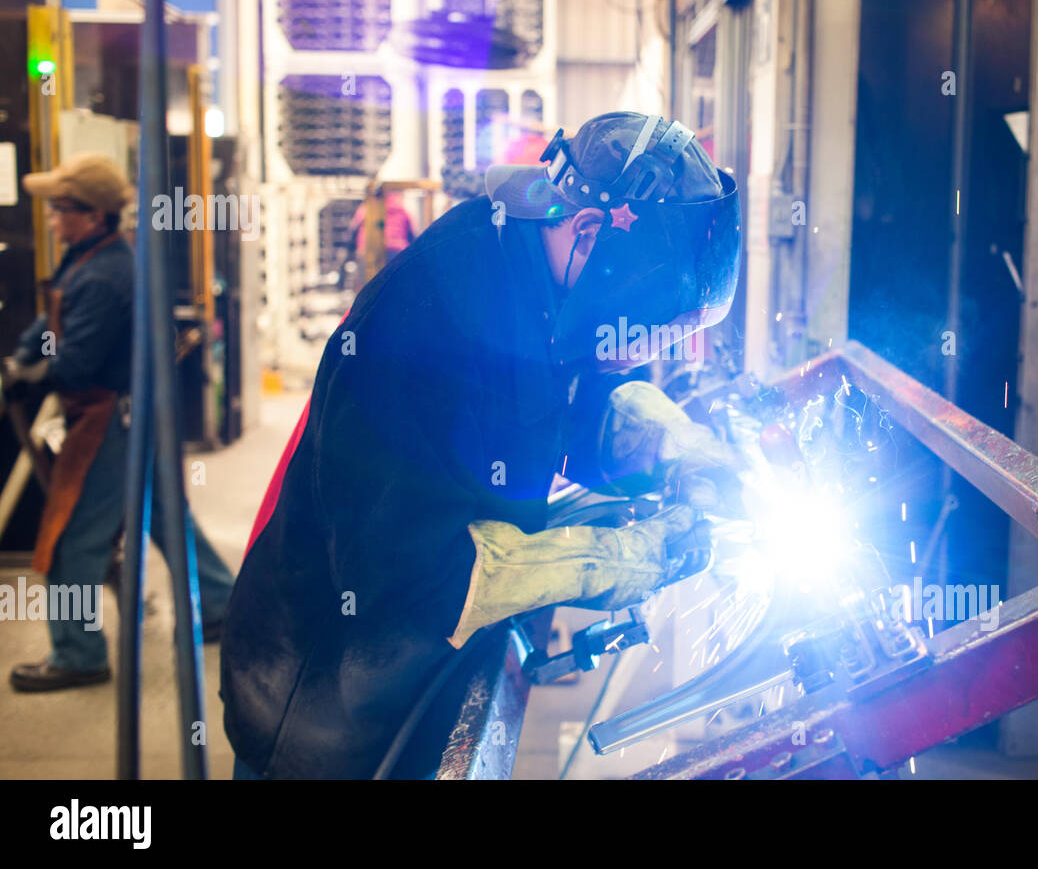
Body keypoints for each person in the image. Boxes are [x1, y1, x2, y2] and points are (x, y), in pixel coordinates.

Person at [221, 112, 743, 778]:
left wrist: (673, 445)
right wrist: (623, 560)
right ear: (587, 234)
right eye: (657, 324)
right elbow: (401, 569)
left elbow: (556, 417)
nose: (655, 348)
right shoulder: (432, 312)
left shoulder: (540, 274)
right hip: (327, 699)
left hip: (424, 661)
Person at [6, 153, 236, 693]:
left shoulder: (105, 275)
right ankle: (220, 601)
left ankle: (78, 653)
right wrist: (22, 357)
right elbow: (48, 321)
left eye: (61, 210)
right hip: (134, 416)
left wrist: (33, 371)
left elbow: (76, 363)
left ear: (94, 215)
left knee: (72, 541)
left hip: (109, 425)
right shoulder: (88, 259)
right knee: (162, 514)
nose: (53, 220)